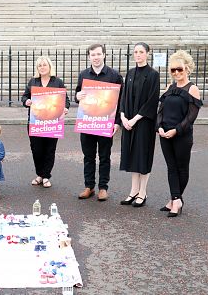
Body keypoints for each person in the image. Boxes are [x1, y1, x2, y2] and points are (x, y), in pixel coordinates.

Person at [75, 44, 123, 201]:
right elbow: (77, 94)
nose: (95, 57)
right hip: (88, 121)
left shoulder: (114, 75)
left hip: (105, 122)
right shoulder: (83, 75)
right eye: (92, 55)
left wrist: (117, 122)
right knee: (88, 156)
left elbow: (120, 100)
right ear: (89, 57)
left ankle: (103, 188)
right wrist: (78, 96)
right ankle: (89, 186)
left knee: (104, 156)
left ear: (104, 55)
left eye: (98, 54)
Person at [156, 50, 202, 217]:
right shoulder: (169, 87)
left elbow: (191, 117)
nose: (176, 73)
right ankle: (176, 199)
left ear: (187, 69)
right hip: (165, 134)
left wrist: (176, 130)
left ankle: (175, 200)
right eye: (173, 70)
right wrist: (159, 127)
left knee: (182, 168)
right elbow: (160, 110)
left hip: (182, 135)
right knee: (171, 168)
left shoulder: (193, 89)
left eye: (179, 69)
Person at [119, 42, 160, 207]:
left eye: (141, 52)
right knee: (132, 155)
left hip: (143, 122)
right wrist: (122, 116)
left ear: (148, 53)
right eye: (135, 52)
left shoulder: (153, 75)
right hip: (128, 121)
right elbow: (124, 97)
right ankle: (133, 191)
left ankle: (143, 192)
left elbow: (152, 101)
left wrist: (135, 119)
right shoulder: (130, 73)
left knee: (143, 155)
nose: (138, 54)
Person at [21, 56, 70, 188]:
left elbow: (66, 99)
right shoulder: (33, 81)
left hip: (52, 122)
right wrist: (27, 101)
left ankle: (46, 176)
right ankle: (40, 174)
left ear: (49, 66)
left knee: (49, 149)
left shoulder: (57, 82)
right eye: (40, 65)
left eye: (44, 65)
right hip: (36, 122)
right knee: (36, 149)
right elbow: (24, 96)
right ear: (37, 68)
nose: (42, 67)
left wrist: (65, 108)